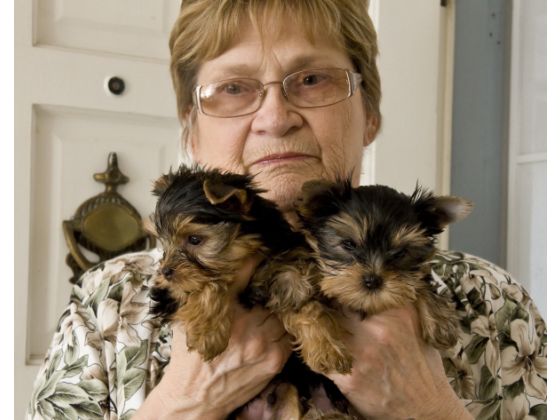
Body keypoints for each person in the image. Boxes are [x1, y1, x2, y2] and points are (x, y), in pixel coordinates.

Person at [27, 1, 547, 419]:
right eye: (233, 88)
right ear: (190, 129)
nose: (274, 118)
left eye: (313, 80)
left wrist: (427, 408)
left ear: (369, 115)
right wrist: (183, 403)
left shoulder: (491, 301)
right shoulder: (108, 304)